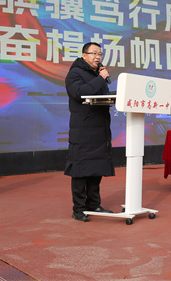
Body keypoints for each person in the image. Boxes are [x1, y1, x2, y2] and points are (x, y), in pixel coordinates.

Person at [65, 42, 114, 222]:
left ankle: (94, 204)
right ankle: (78, 208)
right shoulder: (75, 73)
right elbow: (80, 93)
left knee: (96, 168)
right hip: (83, 129)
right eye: (94, 53)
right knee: (81, 170)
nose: (98, 57)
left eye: (100, 53)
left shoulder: (97, 74)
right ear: (84, 55)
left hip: (100, 128)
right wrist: (101, 78)